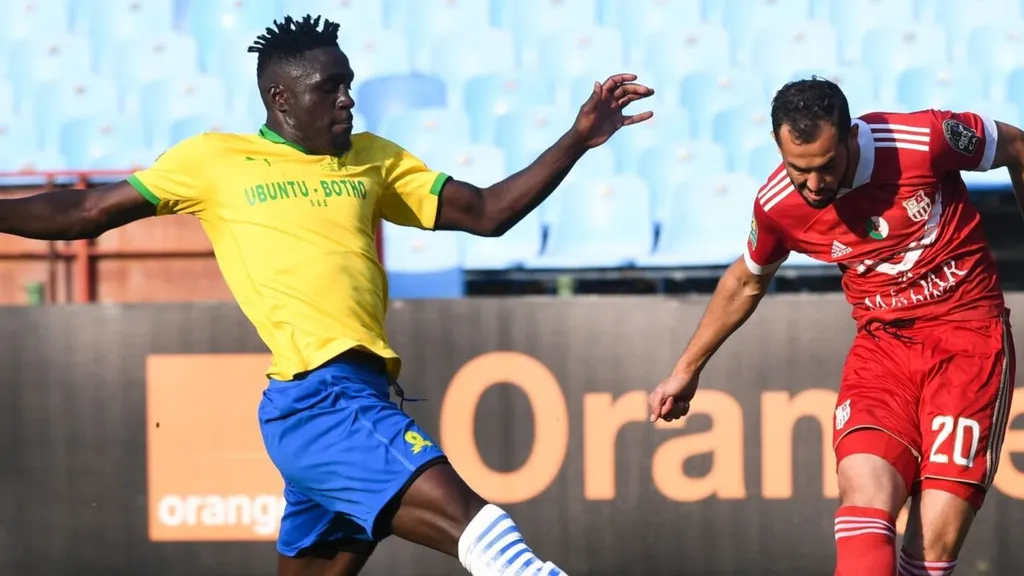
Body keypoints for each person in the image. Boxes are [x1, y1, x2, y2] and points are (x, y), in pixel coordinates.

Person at [0, 14, 654, 576]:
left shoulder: (372, 157)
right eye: (330, 87)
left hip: (344, 404)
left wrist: (577, 139)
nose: (347, 99)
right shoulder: (213, 161)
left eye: (349, 85)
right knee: (493, 544)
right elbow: (84, 212)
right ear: (280, 97)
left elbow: (485, 212)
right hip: (323, 399)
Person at [648, 77, 1024, 576]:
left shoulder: (923, 140)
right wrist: (686, 369)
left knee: (931, 549)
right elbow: (745, 281)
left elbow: (1017, 146)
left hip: (968, 344)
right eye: (797, 169)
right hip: (882, 352)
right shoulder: (779, 204)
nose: (813, 184)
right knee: (864, 497)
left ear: (851, 138)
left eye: (825, 167)